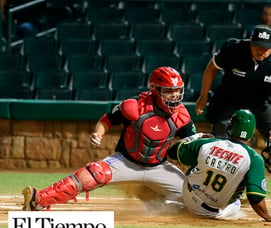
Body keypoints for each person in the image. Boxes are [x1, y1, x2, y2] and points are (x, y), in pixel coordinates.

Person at [22, 66, 197, 211]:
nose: (174, 96)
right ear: (155, 89)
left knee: (193, 197)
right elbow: (107, 120)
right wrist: (98, 133)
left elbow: (192, 144)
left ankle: (157, 201)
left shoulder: (182, 116)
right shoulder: (135, 106)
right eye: (168, 91)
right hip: (126, 162)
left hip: (159, 167)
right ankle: (39, 200)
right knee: (94, 173)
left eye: (177, 91)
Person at [195, 24, 271, 210]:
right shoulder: (233, 49)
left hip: (262, 101)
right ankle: (216, 192)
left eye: (265, 47)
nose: (260, 50)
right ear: (250, 41)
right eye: (257, 45)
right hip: (229, 99)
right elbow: (211, 68)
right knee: (221, 144)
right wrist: (203, 96)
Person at [167, 109, 271, 222]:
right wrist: (268, 216)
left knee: (200, 162)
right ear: (251, 132)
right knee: (237, 201)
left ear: (230, 127)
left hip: (188, 193)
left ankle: (182, 203)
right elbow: (255, 199)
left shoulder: (207, 143)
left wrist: (194, 138)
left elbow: (172, 153)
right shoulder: (254, 158)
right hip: (211, 211)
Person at [0, 0, 66, 39]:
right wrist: (2, 14)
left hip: (33, 25)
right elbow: (3, 0)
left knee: (26, 27)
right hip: (14, 24)